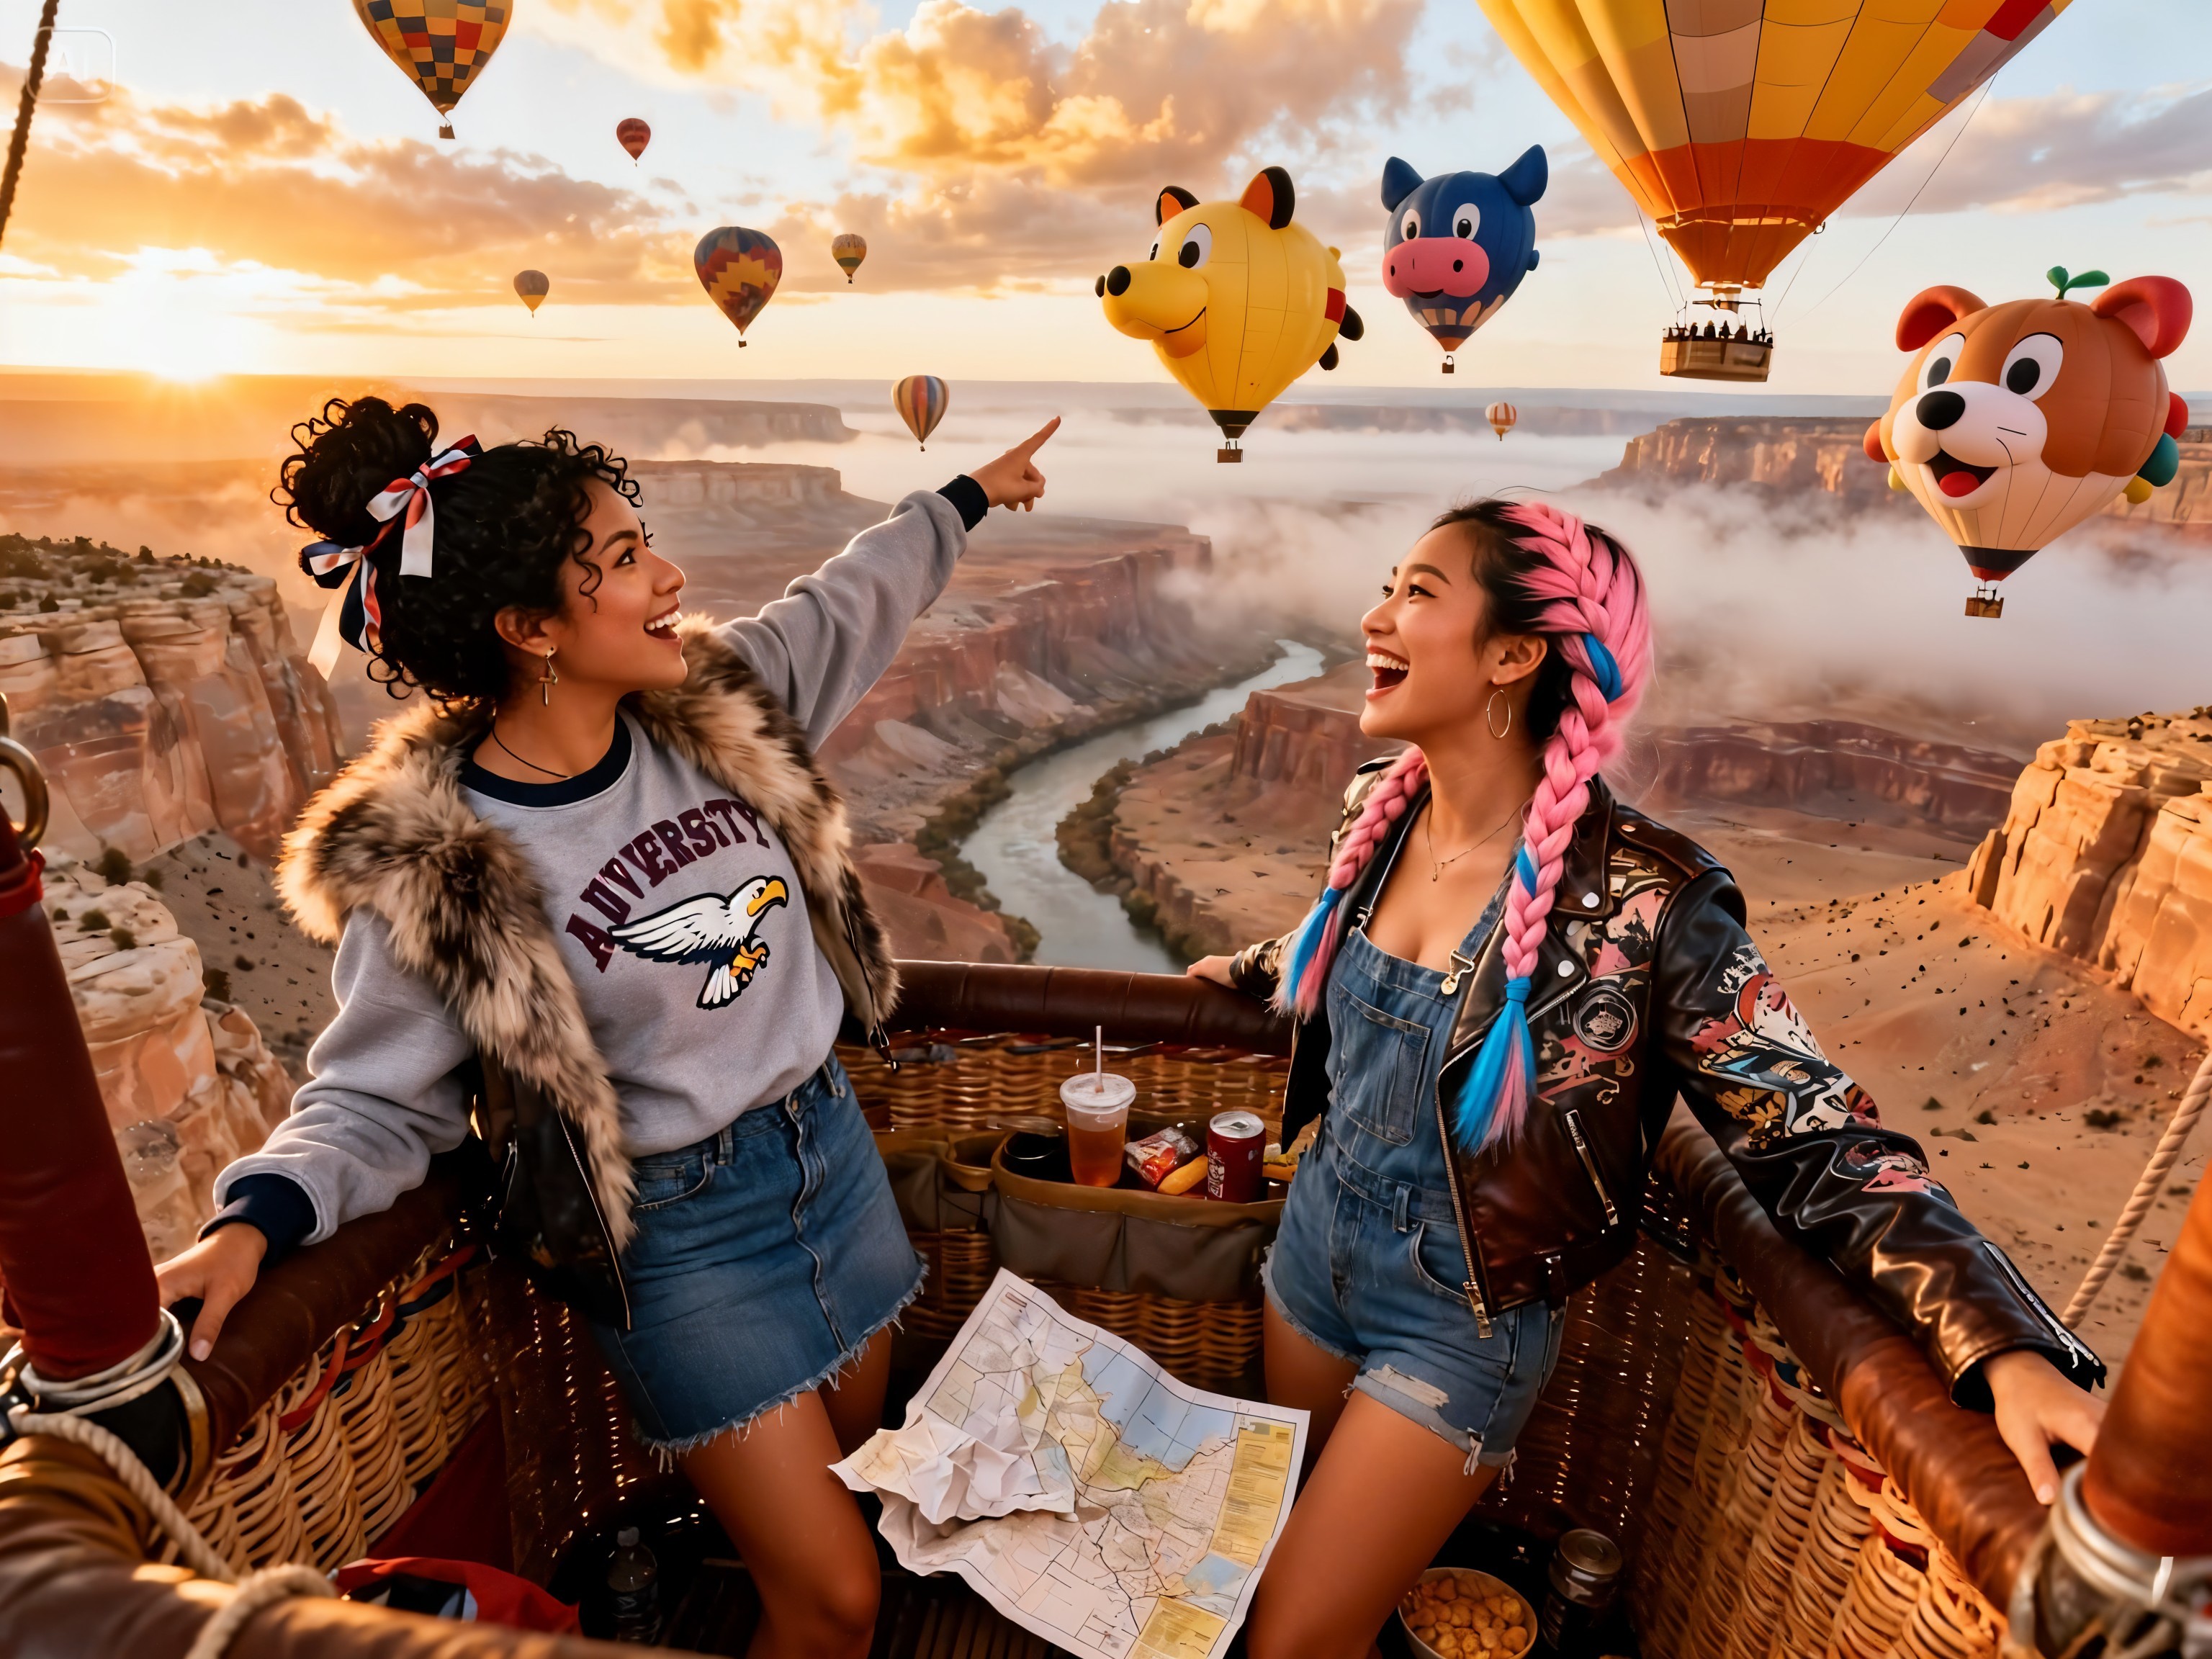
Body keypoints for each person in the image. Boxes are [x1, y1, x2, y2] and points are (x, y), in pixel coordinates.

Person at [156, 397, 1057, 1659]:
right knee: (837, 1598)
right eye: (625, 559)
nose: (669, 575)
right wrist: (256, 1219)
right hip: (680, 1239)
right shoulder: (442, 860)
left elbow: (854, 596)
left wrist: (963, 496)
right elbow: (370, 1096)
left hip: (833, 1163)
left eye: (646, 543)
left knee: (855, 1486)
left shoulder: (717, 707)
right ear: (531, 630)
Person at [1186, 499, 2105, 1659]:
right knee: (1270, 1546)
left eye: (1417, 593)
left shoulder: (1653, 903)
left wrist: (2001, 1343)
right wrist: (1262, 967)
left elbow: (1811, 1128)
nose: (1375, 615)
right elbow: (1349, 956)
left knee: (1286, 1639)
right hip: (1309, 1255)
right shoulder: (1377, 804)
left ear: (1515, 654)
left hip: (1459, 1319)